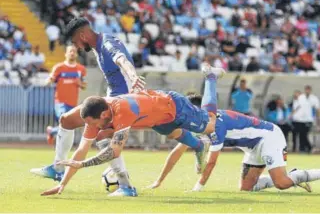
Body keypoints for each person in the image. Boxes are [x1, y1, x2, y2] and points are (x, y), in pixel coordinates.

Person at [40, 65, 225, 197]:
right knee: (173, 134)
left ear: (104, 114)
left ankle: (210, 76)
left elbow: (114, 151)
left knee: (210, 124)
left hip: (174, 106)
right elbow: (81, 151)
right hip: (156, 119)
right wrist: (63, 183)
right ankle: (200, 146)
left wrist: (83, 165)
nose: (93, 128)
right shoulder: (93, 113)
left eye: (94, 124)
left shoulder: (123, 111)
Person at [30, 17, 146, 197]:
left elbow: (121, 59)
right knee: (66, 120)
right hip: (112, 98)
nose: (75, 46)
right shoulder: (97, 47)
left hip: (123, 101)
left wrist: (133, 75)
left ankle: (126, 186)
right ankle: (59, 168)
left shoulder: (107, 42)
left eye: (75, 41)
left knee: (100, 136)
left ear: (83, 35)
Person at [147, 95, 320, 194]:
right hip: (252, 146)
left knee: (282, 184)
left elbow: (212, 162)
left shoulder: (216, 124)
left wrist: (197, 188)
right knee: (246, 189)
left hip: (269, 137)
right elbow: (177, 151)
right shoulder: (196, 122)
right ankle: (294, 175)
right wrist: (159, 180)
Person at [45, 45, 86, 145]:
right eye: (70, 51)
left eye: (74, 51)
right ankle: (59, 142)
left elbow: (84, 86)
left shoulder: (81, 69)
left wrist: (80, 83)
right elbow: (48, 81)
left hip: (73, 103)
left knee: (70, 125)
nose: (72, 53)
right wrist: (49, 80)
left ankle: (52, 131)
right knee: (65, 122)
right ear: (66, 54)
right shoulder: (59, 67)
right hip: (60, 101)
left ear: (76, 54)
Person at [291, 85, 320, 153]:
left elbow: (318, 109)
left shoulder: (314, 98)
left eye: (309, 90)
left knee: (304, 134)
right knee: (301, 134)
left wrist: (318, 119)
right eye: (306, 90)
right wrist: (292, 114)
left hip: (308, 119)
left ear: (310, 90)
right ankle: (303, 149)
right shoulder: (301, 97)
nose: (307, 91)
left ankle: (309, 147)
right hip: (300, 119)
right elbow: (297, 107)